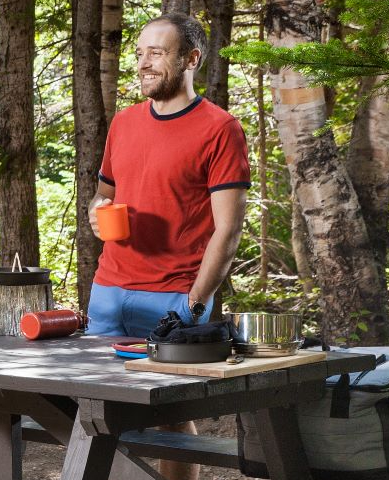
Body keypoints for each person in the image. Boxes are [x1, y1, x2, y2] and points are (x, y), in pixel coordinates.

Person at [86, 13, 251, 480]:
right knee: (96, 409)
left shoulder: (221, 129)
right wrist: (98, 214)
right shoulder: (123, 123)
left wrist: (195, 304)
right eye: (140, 54)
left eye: (156, 53)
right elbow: (106, 194)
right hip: (109, 289)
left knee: (171, 415)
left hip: (176, 296)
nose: (143, 63)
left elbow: (228, 231)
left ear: (191, 59)